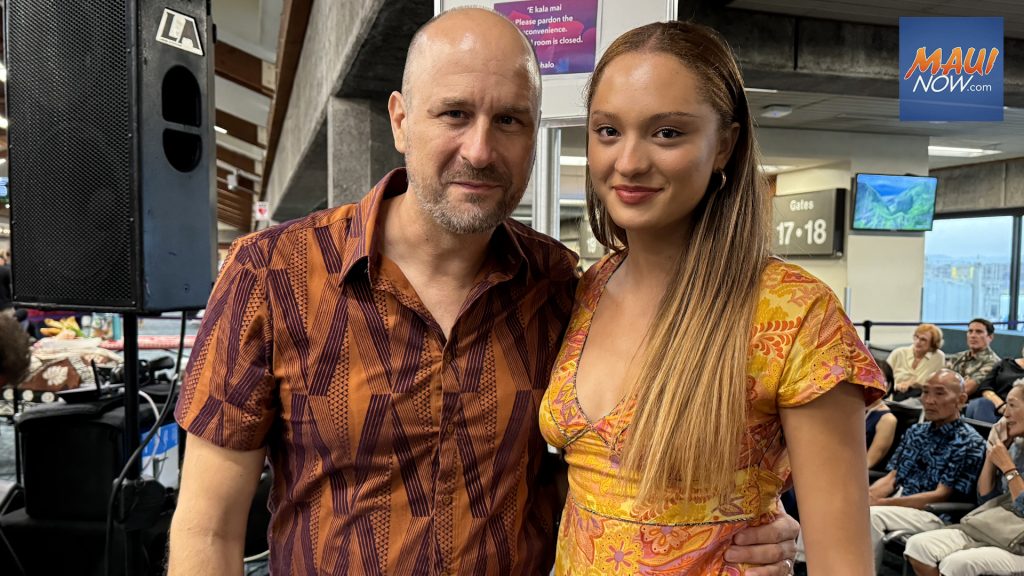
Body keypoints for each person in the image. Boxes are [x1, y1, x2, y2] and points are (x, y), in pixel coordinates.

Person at [168, 9, 798, 575]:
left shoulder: (559, 285)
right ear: (400, 120)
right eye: (454, 114)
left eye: (509, 120)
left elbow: (592, 470)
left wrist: (732, 528)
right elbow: (207, 530)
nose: (480, 149)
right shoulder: (272, 274)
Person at [538, 21, 884, 575]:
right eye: (608, 130)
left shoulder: (794, 314)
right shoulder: (585, 290)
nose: (628, 161)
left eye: (666, 133)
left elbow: (843, 565)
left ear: (724, 143)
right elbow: (587, 482)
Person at [868, 369, 987, 573]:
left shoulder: (969, 442)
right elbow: (892, 478)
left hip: (934, 514)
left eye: (939, 393)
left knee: (870, 515)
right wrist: (867, 496)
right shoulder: (916, 432)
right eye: (925, 392)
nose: (929, 400)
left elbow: (940, 495)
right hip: (898, 504)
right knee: (848, 504)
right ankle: (816, 566)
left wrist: (882, 503)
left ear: (961, 400)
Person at [904, 382, 1024, 575]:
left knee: (957, 564)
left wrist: (1008, 467)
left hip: (1019, 542)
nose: (1006, 414)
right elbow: (986, 499)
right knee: (918, 546)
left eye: (1012, 405)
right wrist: (993, 454)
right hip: (996, 529)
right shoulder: (1017, 447)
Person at [887, 323, 945, 400]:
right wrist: (897, 386)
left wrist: (914, 384)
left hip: (921, 399)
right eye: (916, 337)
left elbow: (935, 384)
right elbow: (882, 380)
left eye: (923, 339)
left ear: (932, 343)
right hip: (893, 396)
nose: (918, 341)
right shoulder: (898, 353)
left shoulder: (938, 357)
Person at [965, 349, 1024, 423]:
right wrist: (1000, 405)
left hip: (1018, 413)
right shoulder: (1005, 363)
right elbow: (985, 387)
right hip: (993, 405)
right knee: (981, 404)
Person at [946, 318, 1000, 397]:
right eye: (970, 331)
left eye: (979, 332)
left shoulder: (993, 362)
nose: (973, 335)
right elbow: (941, 381)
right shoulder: (958, 357)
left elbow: (966, 389)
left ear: (990, 337)